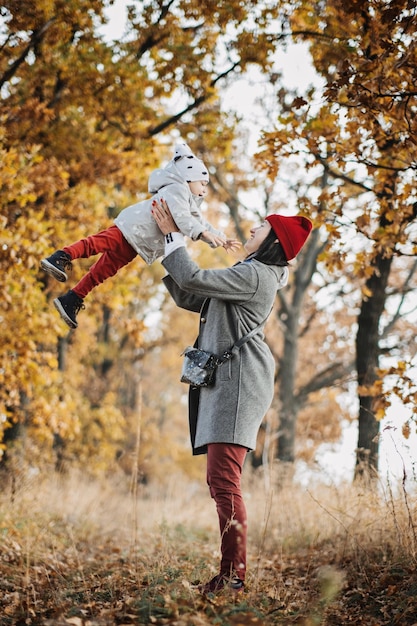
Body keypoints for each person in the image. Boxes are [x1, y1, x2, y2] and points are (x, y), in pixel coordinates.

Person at [151, 197, 312, 595]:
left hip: (239, 382)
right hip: (229, 379)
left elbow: (194, 279)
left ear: (273, 240)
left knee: (224, 481)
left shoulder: (258, 275)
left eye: (261, 227)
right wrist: (159, 242)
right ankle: (228, 576)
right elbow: (191, 295)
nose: (252, 230)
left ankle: (232, 579)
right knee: (219, 480)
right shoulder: (249, 271)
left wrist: (173, 233)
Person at [40, 142, 239, 329]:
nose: (204, 189)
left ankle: (72, 298)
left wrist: (219, 238)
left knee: (102, 272)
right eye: (202, 183)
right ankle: (61, 256)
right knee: (95, 244)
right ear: (188, 178)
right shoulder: (176, 189)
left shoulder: (188, 201)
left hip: (137, 243)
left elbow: (199, 221)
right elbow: (183, 219)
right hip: (131, 227)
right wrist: (202, 233)